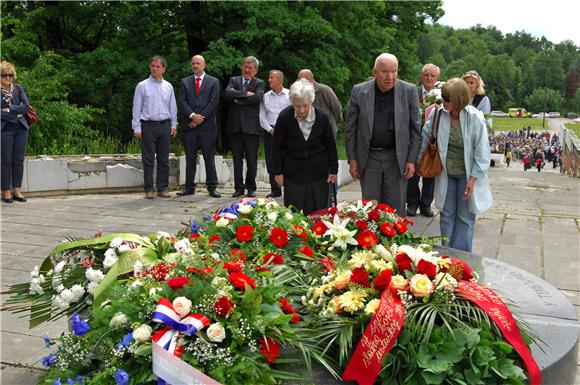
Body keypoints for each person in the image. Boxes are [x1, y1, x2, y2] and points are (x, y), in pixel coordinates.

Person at [418, 78, 492, 252]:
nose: (443, 101)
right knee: (446, 215)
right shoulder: (438, 114)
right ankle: (447, 254)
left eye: (447, 98)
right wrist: (416, 163)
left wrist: (473, 180)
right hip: (446, 173)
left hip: (468, 175)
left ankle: (463, 257)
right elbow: (425, 140)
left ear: (459, 98)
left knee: (465, 217)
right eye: (443, 96)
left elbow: (482, 153)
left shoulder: (475, 118)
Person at [345, 53, 421, 216]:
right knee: (370, 208)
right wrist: (352, 159)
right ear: (375, 71)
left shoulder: (409, 91)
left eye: (394, 71)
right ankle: (371, 241)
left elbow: (416, 130)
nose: (390, 76)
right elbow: (351, 128)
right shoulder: (359, 91)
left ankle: (396, 241)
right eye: (385, 71)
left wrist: (411, 160)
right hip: (369, 157)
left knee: (396, 209)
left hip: (397, 158)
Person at [272, 78, 338, 215]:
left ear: (311, 101)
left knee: (319, 213)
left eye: (305, 105)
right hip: (293, 174)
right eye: (297, 106)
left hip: (319, 174)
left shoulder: (322, 117)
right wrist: (277, 172)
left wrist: (333, 170)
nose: (302, 110)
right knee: (295, 215)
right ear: (292, 103)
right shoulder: (284, 117)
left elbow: (330, 145)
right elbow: (277, 147)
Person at [132, 56, 177, 200]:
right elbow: (136, 107)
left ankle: (162, 188)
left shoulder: (168, 86)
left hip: (164, 125)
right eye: (152, 66)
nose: (155, 69)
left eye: (158, 66)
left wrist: (174, 125)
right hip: (148, 125)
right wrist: (136, 127)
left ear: (163, 68)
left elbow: (173, 107)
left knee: (164, 159)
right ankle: (149, 189)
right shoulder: (142, 86)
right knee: (148, 159)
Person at [177, 55, 221, 198]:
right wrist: (192, 116)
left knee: (209, 157)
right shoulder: (185, 82)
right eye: (193, 63)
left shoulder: (213, 81)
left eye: (198, 63)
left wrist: (199, 118)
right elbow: (182, 101)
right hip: (189, 126)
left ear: (204, 65)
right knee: (190, 157)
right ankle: (189, 187)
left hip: (207, 126)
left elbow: (213, 102)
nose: (195, 66)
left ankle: (212, 187)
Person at [225, 56, 265, 198]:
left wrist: (239, 99)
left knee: (251, 161)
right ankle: (238, 188)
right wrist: (245, 94)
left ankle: (251, 187)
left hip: (251, 128)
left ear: (255, 70)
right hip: (235, 127)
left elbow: (258, 98)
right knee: (237, 160)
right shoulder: (234, 80)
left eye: (250, 68)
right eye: (245, 67)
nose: (247, 70)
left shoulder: (259, 83)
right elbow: (228, 94)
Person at [407, 63, 440, 217]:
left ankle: (426, 204)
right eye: (426, 75)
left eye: (432, 75)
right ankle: (412, 203)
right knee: (412, 173)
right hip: (413, 138)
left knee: (430, 173)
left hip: (432, 140)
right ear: (421, 76)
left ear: (437, 78)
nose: (429, 78)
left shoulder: (441, 94)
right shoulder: (412, 92)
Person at [1, 61, 30, 203]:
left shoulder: (18, 88)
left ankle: (17, 190)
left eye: (10, 75)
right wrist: (15, 111)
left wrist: (8, 109)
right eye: (4, 75)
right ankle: (6, 192)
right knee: (6, 161)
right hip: (5, 130)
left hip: (21, 129)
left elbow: (26, 107)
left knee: (18, 160)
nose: (8, 78)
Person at [259, 69, 291, 198]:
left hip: (287, 132)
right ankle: (275, 189)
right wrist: (270, 129)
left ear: (279, 80)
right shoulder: (265, 96)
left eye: (271, 77)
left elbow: (293, 113)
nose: (269, 80)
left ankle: (290, 187)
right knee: (271, 159)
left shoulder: (290, 95)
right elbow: (262, 116)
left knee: (287, 158)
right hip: (270, 132)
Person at [297, 69, 343, 137]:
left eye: (299, 79)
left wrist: (338, 122)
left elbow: (336, 107)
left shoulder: (325, 90)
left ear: (309, 79)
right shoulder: (300, 92)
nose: (298, 81)